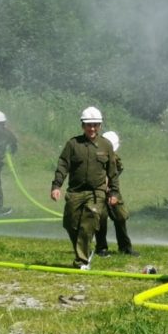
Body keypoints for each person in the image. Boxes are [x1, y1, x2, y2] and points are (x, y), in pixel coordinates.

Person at [50, 107, 122, 270]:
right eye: (88, 125)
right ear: (83, 126)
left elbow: (113, 171)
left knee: (87, 225)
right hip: (75, 192)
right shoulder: (73, 144)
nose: (92, 128)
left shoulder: (106, 145)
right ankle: (86, 250)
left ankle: (81, 261)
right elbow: (62, 165)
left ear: (100, 126)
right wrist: (56, 186)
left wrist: (114, 192)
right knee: (70, 224)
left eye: (95, 125)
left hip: (96, 193)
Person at [96, 130, 139, 256]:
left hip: (113, 191)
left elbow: (119, 169)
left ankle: (125, 247)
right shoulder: (96, 156)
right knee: (101, 218)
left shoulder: (115, 157)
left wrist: (111, 185)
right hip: (99, 191)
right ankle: (101, 247)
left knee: (120, 216)